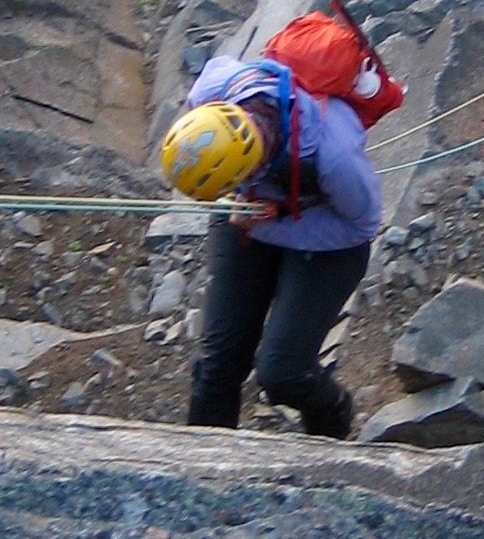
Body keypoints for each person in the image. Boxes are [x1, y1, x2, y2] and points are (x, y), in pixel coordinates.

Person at [163, 46, 383, 437]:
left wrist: (273, 219)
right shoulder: (217, 91)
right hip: (249, 214)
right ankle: (202, 474)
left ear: (252, 165)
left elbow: (362, 225)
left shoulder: (334, 158)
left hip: (328, 237)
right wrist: (239, 202)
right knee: (217, 365)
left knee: (283, 373)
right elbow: (210, 71)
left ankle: (333, 421)